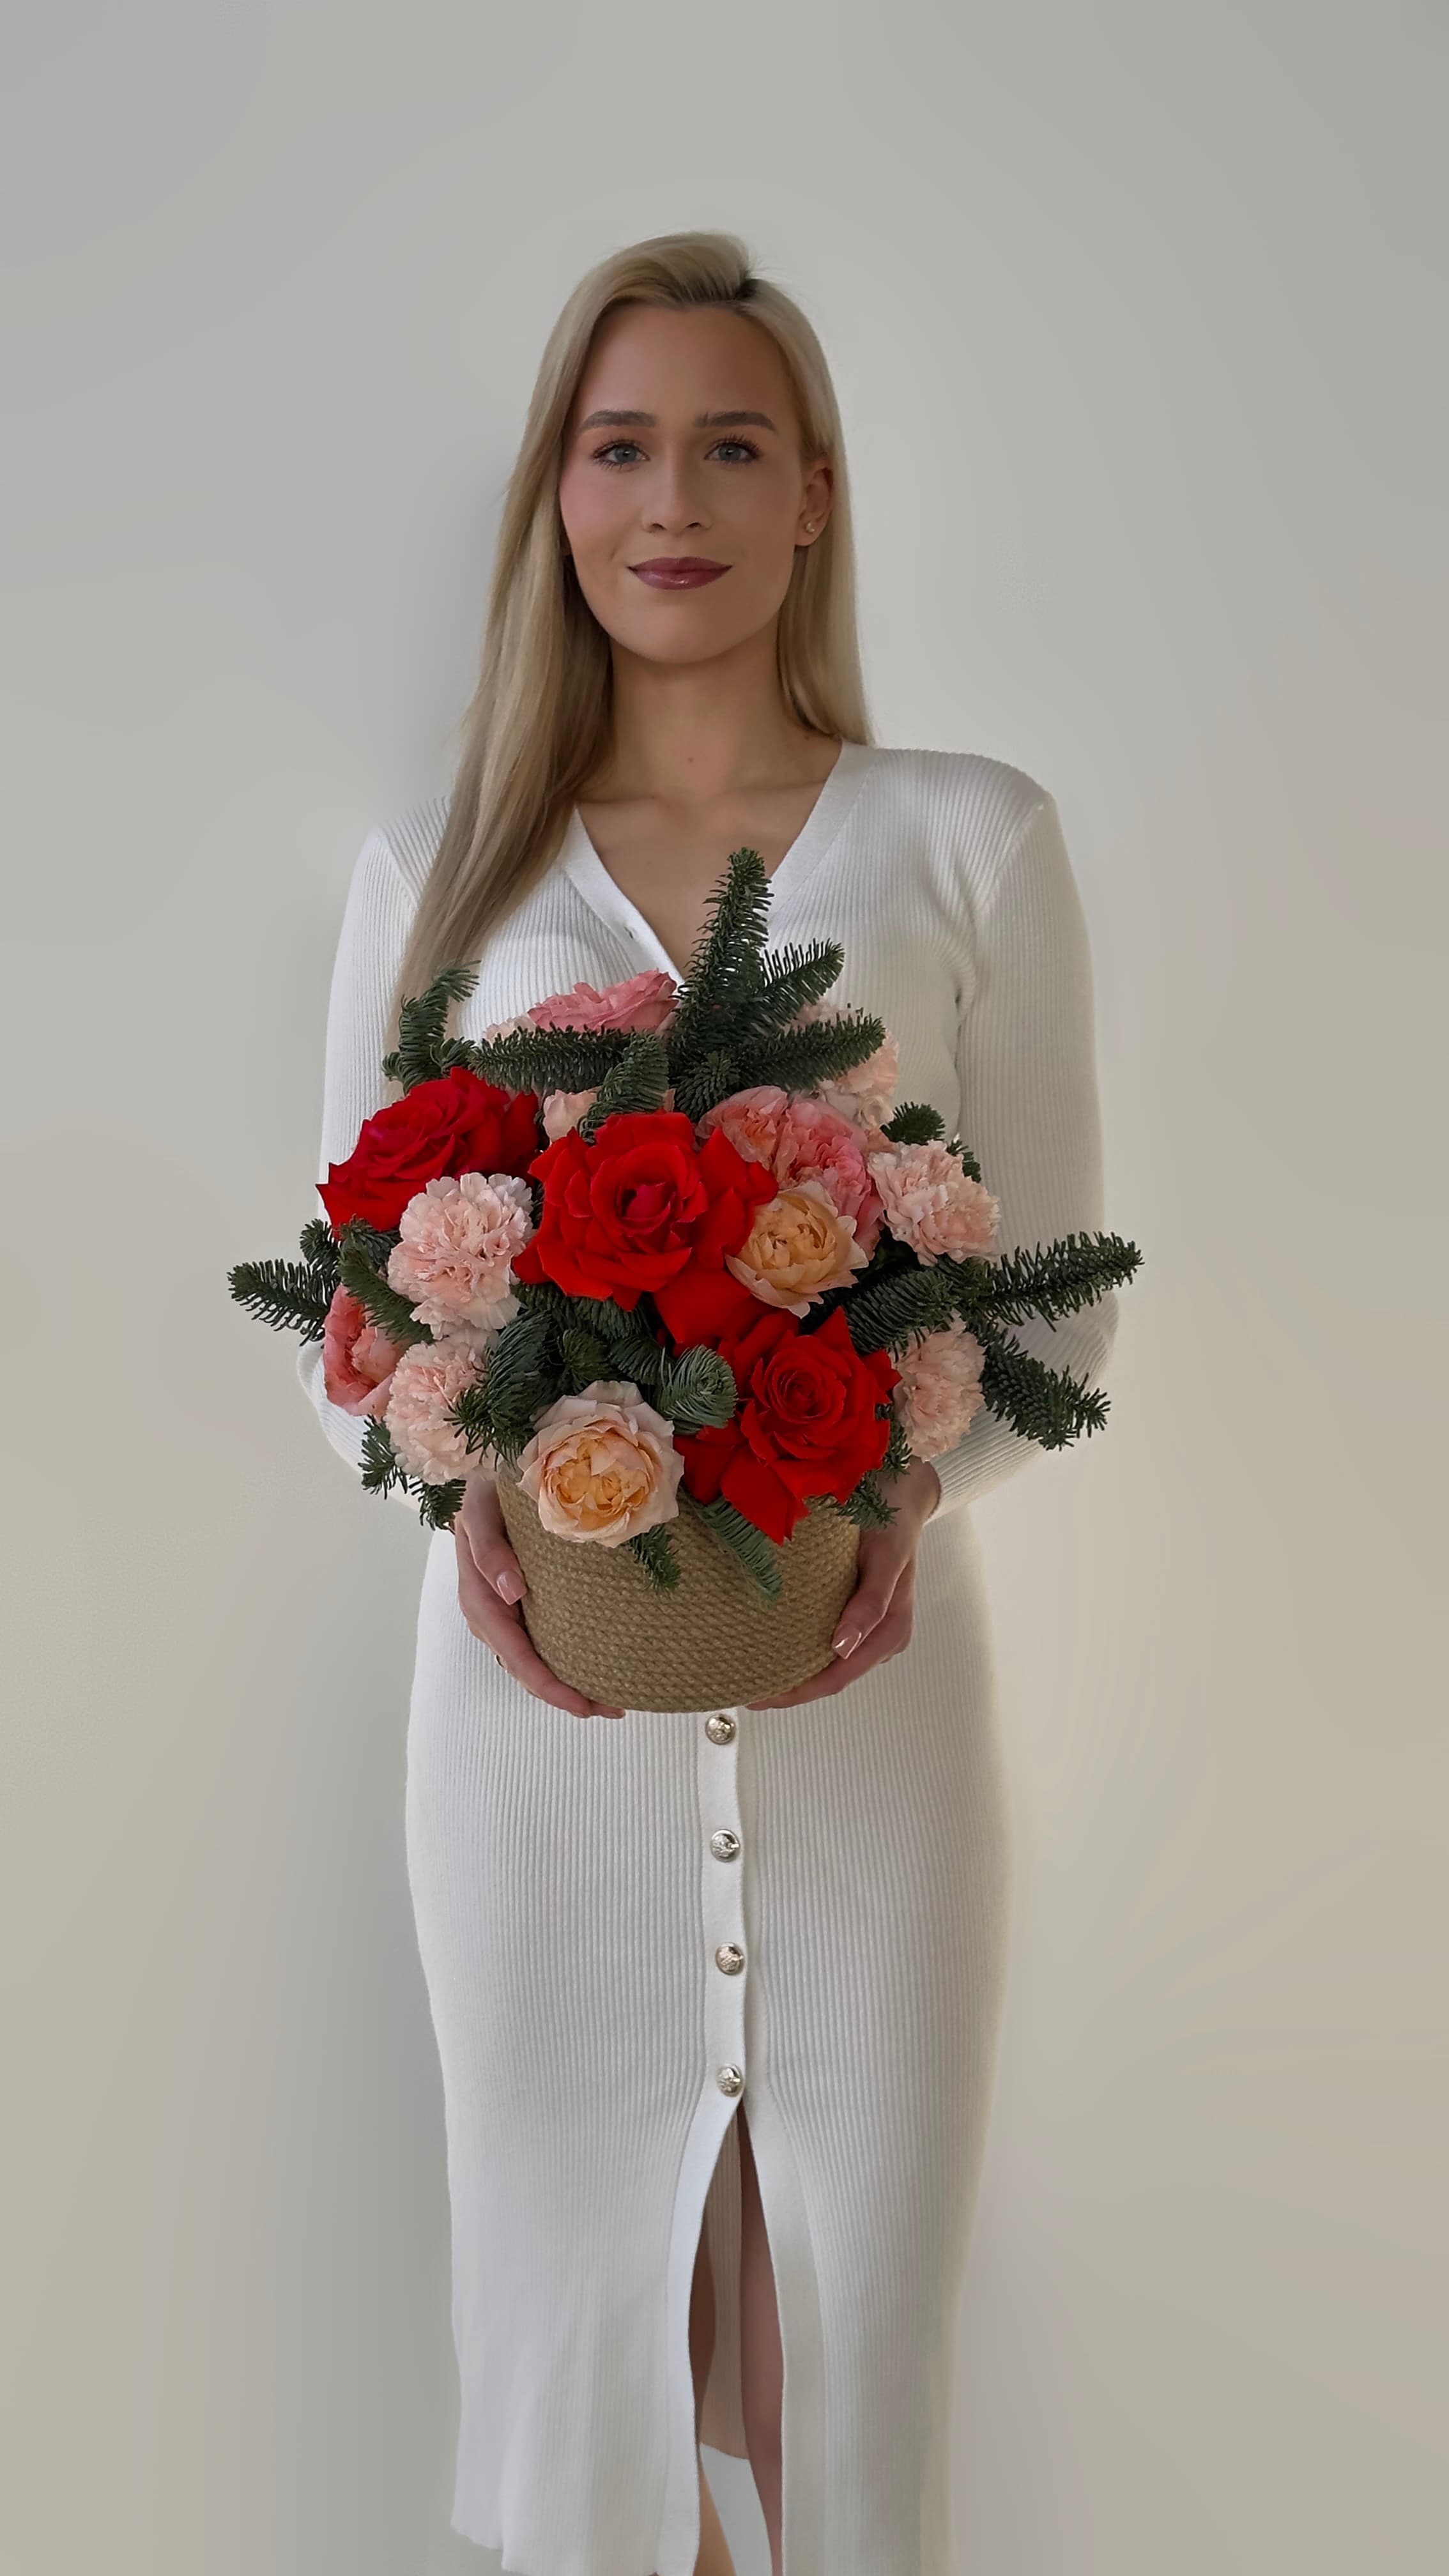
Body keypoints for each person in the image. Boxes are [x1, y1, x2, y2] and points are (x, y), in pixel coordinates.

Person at [298, 229, 1119, 2576]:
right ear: (556, 492)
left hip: (873, 1717)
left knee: (848, 2348)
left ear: (815, 492)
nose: (674, 501)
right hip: (530, 1739)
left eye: (732, 447)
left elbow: (1053, 1308)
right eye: (621, 446)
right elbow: (343, 1319)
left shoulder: (965, 839)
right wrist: (464, 1512)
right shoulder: (438, 867)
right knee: (582, 2357)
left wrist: (902, 1503)